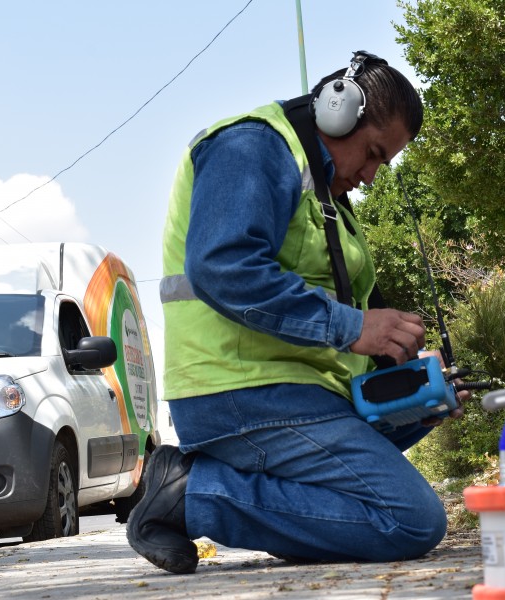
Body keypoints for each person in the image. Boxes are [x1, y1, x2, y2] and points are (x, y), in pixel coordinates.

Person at [127, 51, 468, 575]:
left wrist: (413, 384)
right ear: (338, 110)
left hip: (294, 390)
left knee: (415, 412)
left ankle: (220, 493)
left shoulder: (325, 194)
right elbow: (223, 266)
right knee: (411, 520)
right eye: (374, 153)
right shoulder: (251, 147)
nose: (373, 176)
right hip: (240, 390)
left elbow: (335, 317)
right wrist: (355, 327)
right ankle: (192, 494)